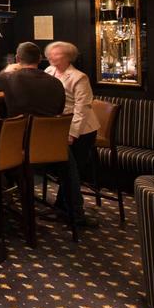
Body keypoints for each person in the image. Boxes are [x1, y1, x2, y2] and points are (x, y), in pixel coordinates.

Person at [45, 41, 101, 227]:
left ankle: (74, 212)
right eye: (50, 53)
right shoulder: (49, 72)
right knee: (67, 170)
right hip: (61, 126)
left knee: (71, 171)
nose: (52, 57)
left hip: (83, 130)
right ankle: (64, 208)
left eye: (57, 54)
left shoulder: (79, 77)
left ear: (68, 57)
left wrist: (73, 133)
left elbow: (82, 108)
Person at [0, 42, 66, 118]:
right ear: (40, 58)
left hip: (18, 125)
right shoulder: (57, 83)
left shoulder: (7, 78)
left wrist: (6, 70)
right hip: (50, 125)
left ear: (17, 59)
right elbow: (60, 110)